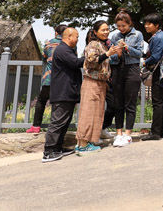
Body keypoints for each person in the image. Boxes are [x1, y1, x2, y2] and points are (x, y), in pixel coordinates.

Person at [76, 20, 118, 153]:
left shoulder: (102, 44)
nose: (106, 32)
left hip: (100, 83)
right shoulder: (93, 44)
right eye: (103, 30)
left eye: (107, 29)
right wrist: (107, 54)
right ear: (95, 32)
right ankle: (82, 144)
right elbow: (91, 61)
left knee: (96, 113)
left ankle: (88, 142)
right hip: (92, 82)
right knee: (88, 113)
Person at [42, 27, 83, 163]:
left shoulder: (67, 50)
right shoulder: (62, 50)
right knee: (58, 122)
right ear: (69, 36)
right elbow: (76, 63)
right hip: (62, 92)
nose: (78, 39)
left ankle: (58, 148)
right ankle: (48, 151)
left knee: (64, 122)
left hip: (68, 92)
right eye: (76, 36)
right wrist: (91, 57)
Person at [104, 10, 144, 148]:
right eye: (119, 26)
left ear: (129, 23)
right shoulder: (115, 36)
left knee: (130, 103)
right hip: (117, 70)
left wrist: (127, 48)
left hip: (132, 70)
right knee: (117, 103)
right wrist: (118, 53)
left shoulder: (137, 34)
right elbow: (112, 57)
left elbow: (139, 54)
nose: (121, 28)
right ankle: (119, 134)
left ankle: (128, 134)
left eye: (123, 26)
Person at [28, 23, 66, 134]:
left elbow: (44, 57)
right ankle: (55, 128)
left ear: (56, 32)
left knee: (41, 101)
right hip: (62, 79)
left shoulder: (48, 44)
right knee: (58, 104)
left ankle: (36, 126)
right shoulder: (69, 45)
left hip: (49, 77)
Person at [143, 12, 163, 141]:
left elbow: (155, 56)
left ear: (157, 25)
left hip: (159, 72)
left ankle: (155, 133)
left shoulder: (157, 37)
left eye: (149, 24)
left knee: (157, 102)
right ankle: (162, 131)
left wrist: (144, 62)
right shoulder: (161, 35)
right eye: (146, 23)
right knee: (161, 102)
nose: (146, 26)